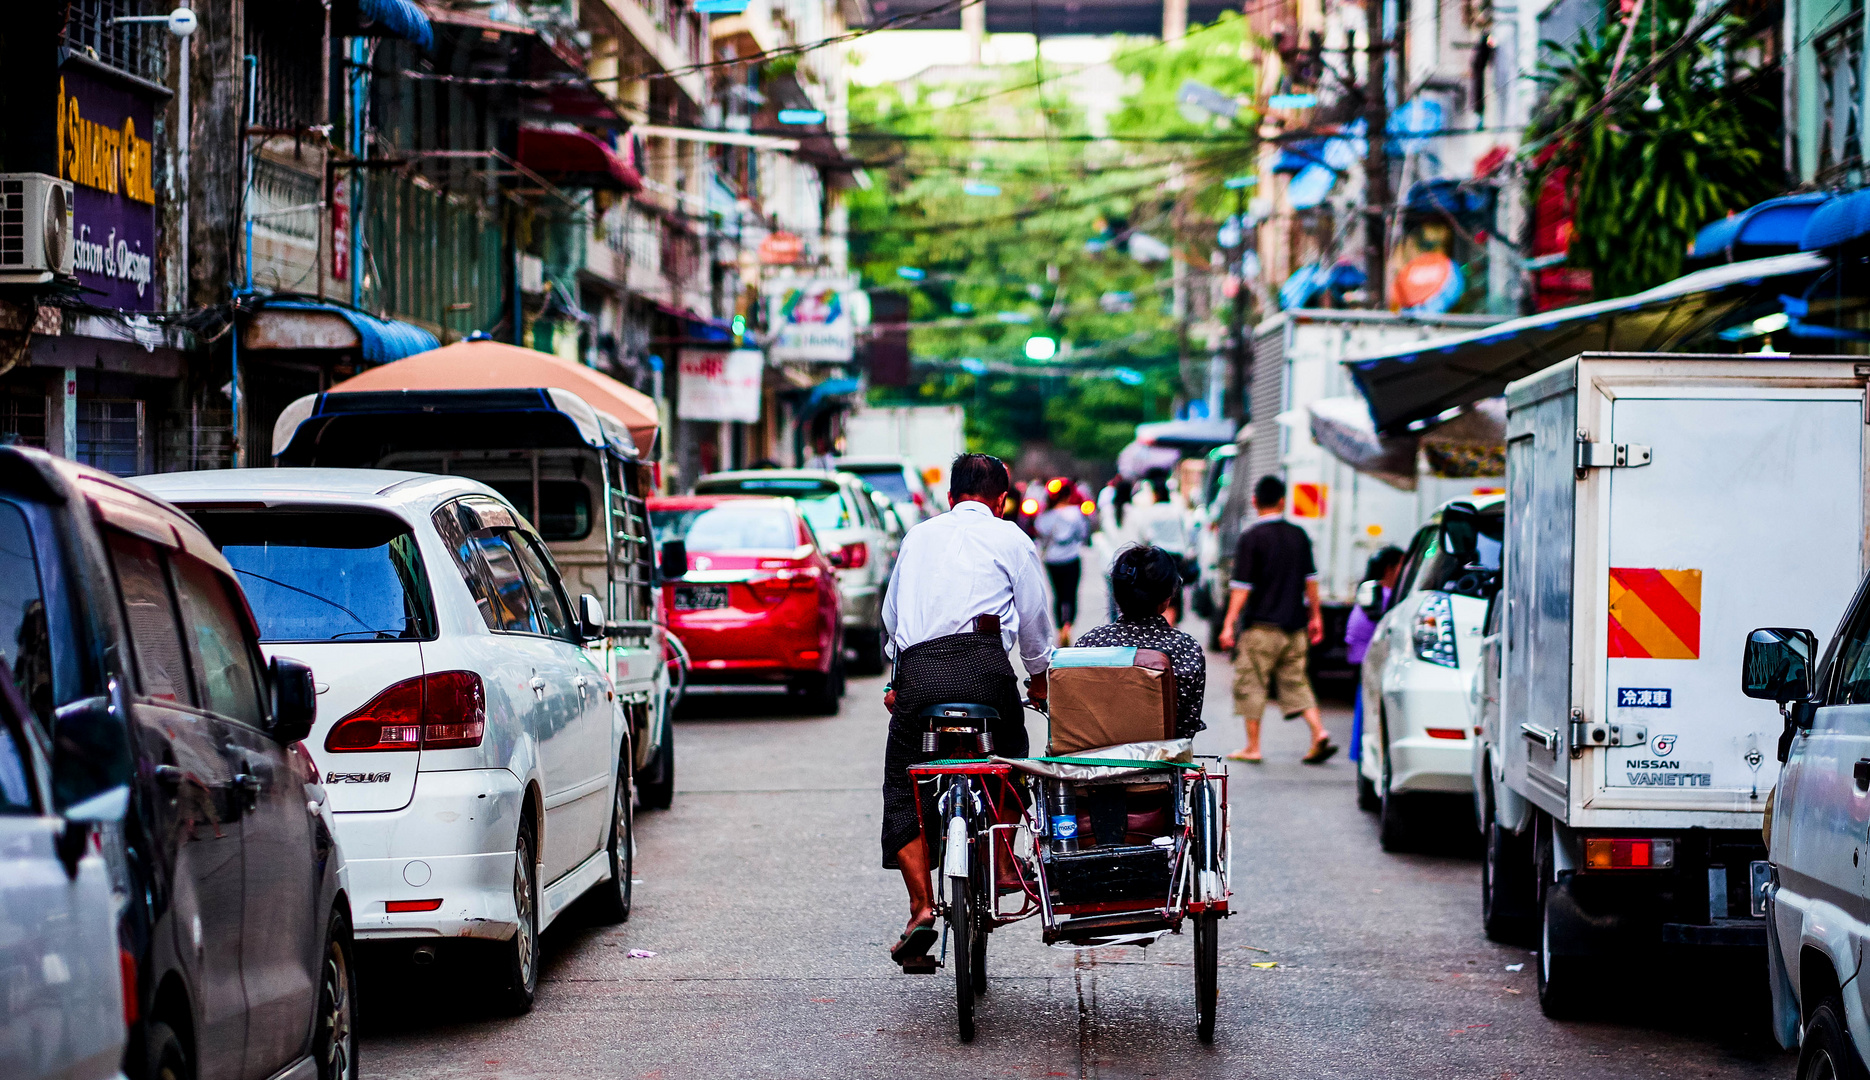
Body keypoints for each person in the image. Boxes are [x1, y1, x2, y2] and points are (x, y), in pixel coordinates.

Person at [878, 452, 1054, 970]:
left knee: (902, 779)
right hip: (984, 673)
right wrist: (1039, 686)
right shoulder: (1011, 538)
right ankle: (1000, 861)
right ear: (1001, 500)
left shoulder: (917, 537)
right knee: (1010, 758)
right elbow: (1035, 627)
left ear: (951, 496)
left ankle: (919, 908)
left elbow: (893, 619)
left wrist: (898, 681)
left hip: (920, 676)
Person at [1217, 475, 1337, 764]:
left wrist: (1228, 622)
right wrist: (1316, 616)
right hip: (1294, 627)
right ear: (1283, 500)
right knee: (1296, 682)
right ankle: (1318, 731)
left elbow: (1242, 587)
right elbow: (1311, 582)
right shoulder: (1299, 535)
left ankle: (1253, 747)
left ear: (1255, 501)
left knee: (1252, 684)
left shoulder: (1251, 537)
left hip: (1261, 628)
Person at [1075, 544, 1207, 738]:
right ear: (1167, 597)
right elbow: (1187, 724)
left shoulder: (1089, 644)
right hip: (1164, 758)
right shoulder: (1186, 649)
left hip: (1097, 759)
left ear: (1117, 593)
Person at [1344, 546, 1406, 764]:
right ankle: (1365, 754)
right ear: (1390, 568)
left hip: (1359, 656)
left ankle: (1360, 753)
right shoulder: (1388, 596)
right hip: (1370, 659)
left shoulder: (1371, 591)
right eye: (1402, 564)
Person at [1034, 480, 1090, 646]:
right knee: (1071, 594)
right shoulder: (1076, 513)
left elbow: (1040, 535)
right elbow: (1083, 533)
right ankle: (1068, 627)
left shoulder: (1045, 516)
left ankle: (1059, 629)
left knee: (1057, 596)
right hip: (1071, 557)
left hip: (1052, 559)